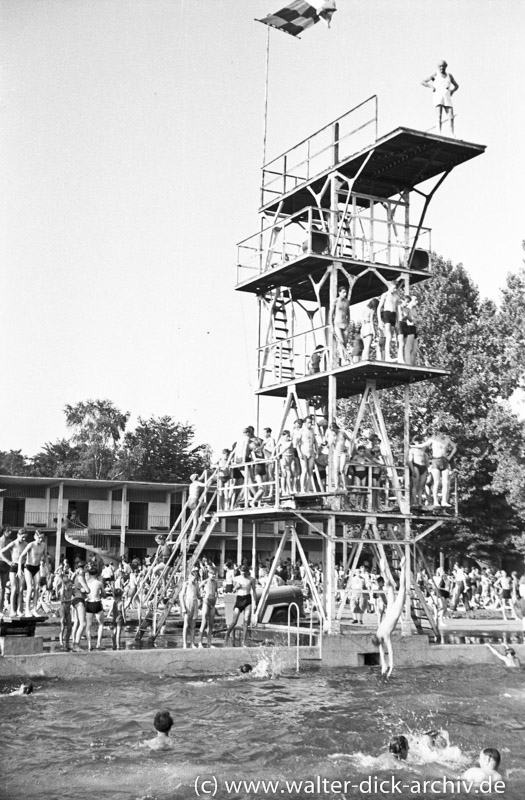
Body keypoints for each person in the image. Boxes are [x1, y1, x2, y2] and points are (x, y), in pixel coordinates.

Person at [372, 555, 406, 677]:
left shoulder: (385, 636)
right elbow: (381, 650)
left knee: (402, 588)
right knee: (390, 587)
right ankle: (383, 570)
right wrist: (383, 665)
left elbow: (390, 652)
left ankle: (403, 567)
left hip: (395, 613)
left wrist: (391, 667)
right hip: (389, 611)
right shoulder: (378, 632)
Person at [413, 428, 456, 508]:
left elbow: (454, 447)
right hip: (436, 460)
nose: (443, 435)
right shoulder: (433, 439)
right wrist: (411, 446)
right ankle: (435, 501)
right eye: (442, 433)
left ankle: (444, 501)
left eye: (444, 433)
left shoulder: (447, 439)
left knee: (445, 482)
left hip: (444, 460)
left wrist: (450, 456)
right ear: (439, 433)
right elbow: (423, 445)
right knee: (436, 482)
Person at [421, 60, 459, 135]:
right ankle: (439, 132)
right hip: (438, 95)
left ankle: (452, 133)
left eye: (443, 66)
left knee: (450, 116)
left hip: (446, 94)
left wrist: (452, 91)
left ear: (446, 66)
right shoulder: (435, 74)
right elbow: (423, 81)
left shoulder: (449, 75)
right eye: (440, 66)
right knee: (439, 115)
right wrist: (431, 86)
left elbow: (457, 85)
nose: (442, 68)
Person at [225, 564, 257, 647]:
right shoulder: (236, 578)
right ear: (240, 571)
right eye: (242, 571)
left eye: (244, 571)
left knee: (246, 620)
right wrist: (237, 587)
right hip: (239, 599)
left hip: (247, 598)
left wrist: (255, 603)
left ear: (247, 571)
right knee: (234, 621)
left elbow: (254, 591)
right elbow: (233, 590)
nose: (243, 573)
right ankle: (227, 634)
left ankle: (244, 641)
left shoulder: (251, 579)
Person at [19, 530, 47, 618]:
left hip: (37, 567)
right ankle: (27, 610)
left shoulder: (43, 545)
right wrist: (19, 569)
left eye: (42, 537)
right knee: (30, 588)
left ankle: (34, 610)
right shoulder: (31, 544)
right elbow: (21, 556)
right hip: (28, 567)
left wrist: (48, 570)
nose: (41, 539)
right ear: (35, 537)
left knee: (37, 588)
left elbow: (45, 557)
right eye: (39, 537)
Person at [0, 529, 28, 618]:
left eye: (25, 537)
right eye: (22, 537)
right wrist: (8, 561)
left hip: (22, 567)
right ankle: (12, 610)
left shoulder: (26, 544)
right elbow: (1, 552)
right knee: (14, 588)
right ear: (18, 535)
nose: (23, 539)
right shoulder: (13, 543)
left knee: (20, 590)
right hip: (14, 566)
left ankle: (19, 610)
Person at [377, 281, 401, 362]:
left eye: (395, 288)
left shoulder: (396, 297)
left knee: (393, 336)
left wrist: (398, 321)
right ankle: (387, 356)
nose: (394, 290)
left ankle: (395, 355)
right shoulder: (385, 295)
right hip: (386, 313)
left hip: (393, 315)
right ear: (390, 286)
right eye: (393, 288)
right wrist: (379, 320)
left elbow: (397, 310)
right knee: (388, 335)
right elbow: (379, 308)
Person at [85, 567, 106, 651]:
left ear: (89, 574)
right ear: (97, 574)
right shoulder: (99, 583)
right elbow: (104, 594)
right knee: (101, 624)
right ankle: (98, 643)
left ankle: (89, 644)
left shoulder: (86, 582)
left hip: (89, 603)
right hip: (97, 603)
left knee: (88, 626)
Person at [180, 566, 200, 648]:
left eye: (195, 575)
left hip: (194, 603)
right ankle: (185, 643)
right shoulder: (186, 584)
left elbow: (198, 595)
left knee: (193, 625)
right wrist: (183, 607)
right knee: (186, 625)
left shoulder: (196, 585)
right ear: (189, 575)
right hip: (188, 603)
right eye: (192, 575)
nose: (194, 577)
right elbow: (181, 596)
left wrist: (203, 595)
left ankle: (192, 643)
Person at [199, 564, 218, 648]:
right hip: (206, 602)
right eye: (212, 573)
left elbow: (216, 592)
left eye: (214, 574)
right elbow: (198, 587)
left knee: (210, 624)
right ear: (208, 574)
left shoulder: (216, 582)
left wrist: (216, 599)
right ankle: (200, 642)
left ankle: (209, 642)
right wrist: (201, 593)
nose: (213, 575)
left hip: (213, 603)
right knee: (203, 622)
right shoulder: (205, 581)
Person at [297, 415, 318, 493]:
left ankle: (308, 488)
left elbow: (315, 441)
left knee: (310, 471)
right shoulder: (301, 431)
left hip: (311, 452)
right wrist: (299, 452)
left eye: (311, 422)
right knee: (304, 470)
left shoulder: (312, 430)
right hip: (303, 452)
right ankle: (302, 489)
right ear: (305, 423)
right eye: (308, 422)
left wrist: (317, 451)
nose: (310, 424)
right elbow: (296, 443)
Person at [331, 285, 351, 364]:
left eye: (345, 292)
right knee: (341, 341)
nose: (345, 294)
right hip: (337, 323)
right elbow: (331, 314)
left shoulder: (347, 302)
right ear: (339, 293)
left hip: (345, 323)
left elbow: (348, 314)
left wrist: (348, 323)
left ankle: (345, 358)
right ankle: (342, 358)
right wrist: (332, 327)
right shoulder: (335, 301)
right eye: (343, 292)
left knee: (345, 342)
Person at [408, 443, 429, 509]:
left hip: (423, 467)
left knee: (421, 486)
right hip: (416, 466)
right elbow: (410, 461)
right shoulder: (412, 450)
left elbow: (427, 463)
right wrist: (412, 470)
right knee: (415, 485)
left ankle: (419, 501)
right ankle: (414, 501)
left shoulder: (424, 450)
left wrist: (427, 470)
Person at [0, 528, 12, 619]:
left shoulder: (11, 541)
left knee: (3, 589)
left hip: (6, 566)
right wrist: (8, 561)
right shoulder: (0, 541)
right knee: (1, 588)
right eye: (8, 531)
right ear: (4, 532)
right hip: (1, 563)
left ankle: (1, 609)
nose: (10, 532)